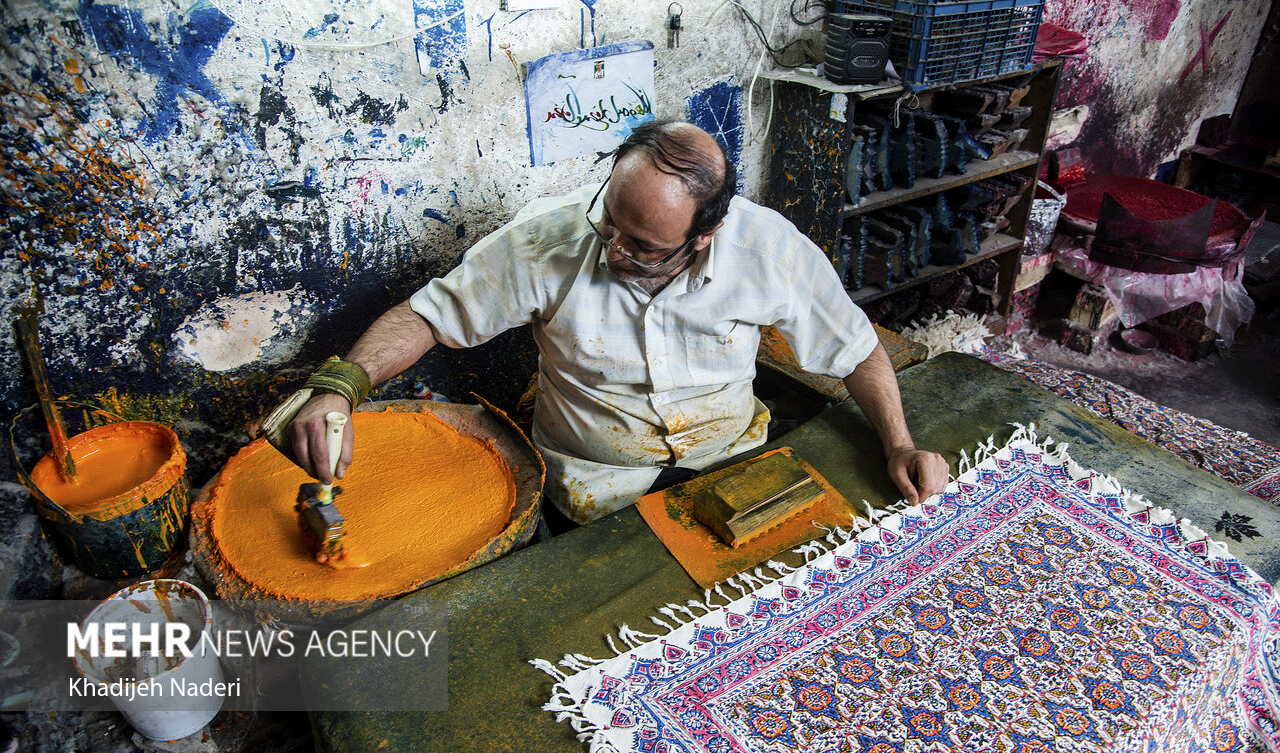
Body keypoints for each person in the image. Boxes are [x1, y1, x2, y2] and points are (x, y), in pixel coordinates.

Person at [270, 119, 946, 533]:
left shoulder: (766, 249)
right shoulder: (551, 242)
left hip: (732, 461)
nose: (615, 251)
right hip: (592, 485)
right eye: (610, 223)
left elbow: (855, 347)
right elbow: (425, 317)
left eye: (644, 246)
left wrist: (897, 443)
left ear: (704, 237)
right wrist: (339, 386)